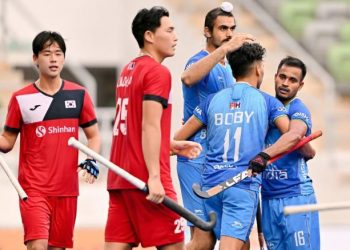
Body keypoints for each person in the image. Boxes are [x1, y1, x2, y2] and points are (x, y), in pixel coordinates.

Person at [174, 43, 304, 250]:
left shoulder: (211, 101)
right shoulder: (268, 102)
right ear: (258, 70)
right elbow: (292, 136)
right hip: (241, 187)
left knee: (238, 245)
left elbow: (177, 140)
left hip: (209, 186)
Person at [105, 6, 202, 250]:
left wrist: (168, 146)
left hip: (120, 179)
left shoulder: (128, 70)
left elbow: (133, 128)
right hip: (147, 180)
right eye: (169, 30)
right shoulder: (158, 72)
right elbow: (149, 126)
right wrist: (155, 177)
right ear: (149, 36)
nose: (175, 37)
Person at [0, 31, 101, 250]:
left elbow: (93, 136)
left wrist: (91, 160)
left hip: (67, 190)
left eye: (58, 53)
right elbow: (7, 142)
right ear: (35, 58)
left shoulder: (79, 94)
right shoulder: (20, 98)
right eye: (47, 54)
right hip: (33, 189)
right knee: (38, 246)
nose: (53, 59)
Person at [177, 2, 254, 249]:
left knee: (239, 240)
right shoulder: (198, 60)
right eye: (222, 28)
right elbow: (188, 77)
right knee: (203, 238)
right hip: (195, 155)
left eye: (232, 29)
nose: (229, 34)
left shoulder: (231, 68)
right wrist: (226, 49)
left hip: (222, 158)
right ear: (207, 31)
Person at [261, 56, 320, 250]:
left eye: (292, 80)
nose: (285, 83)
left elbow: (294, 135)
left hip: (296, 195)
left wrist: (264, 156)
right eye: (283, 77)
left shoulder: (297, 107)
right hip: (268, 199)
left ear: (300, 85)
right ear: (275, 76)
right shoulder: (264, 106)